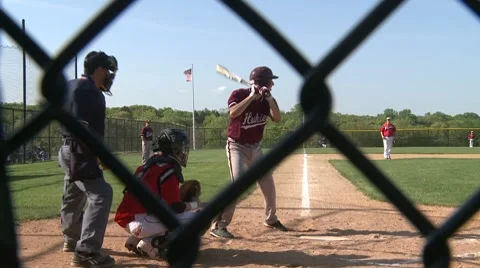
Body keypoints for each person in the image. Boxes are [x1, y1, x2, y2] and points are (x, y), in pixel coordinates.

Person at [209, 66, 288, 239]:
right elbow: (233, 113)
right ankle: (219, 225)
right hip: (236, 146)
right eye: (270, 81)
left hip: (256, 147)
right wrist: (252, 96)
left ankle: (271, 219)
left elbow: (277, 118)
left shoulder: (267, 100)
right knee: (237, 184)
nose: (273, 84)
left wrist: (268, 98)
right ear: (262, 82)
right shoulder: (238, 94)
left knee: (268, 184)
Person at [58, 50, 118, 267]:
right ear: (99, 69)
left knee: (74, 193)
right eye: (108, 71)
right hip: (80, 150)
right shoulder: (91, 91)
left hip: (65, 149)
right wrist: (101, 158)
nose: (110, 76)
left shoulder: (70, 85)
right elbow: (87, 130)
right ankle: (86, 252)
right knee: (101, 194)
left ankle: (71, 238)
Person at [114, 128, 204, 261]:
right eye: (180, 147)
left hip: (129, 219)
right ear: (173, 148)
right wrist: (195, 204)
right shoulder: (168, 169)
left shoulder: (149, 164)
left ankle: (135, 239)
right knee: (201, 218)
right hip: (142, 222)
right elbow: (174, 208)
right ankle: (149, 243)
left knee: (164, 212)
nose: (182, 151)